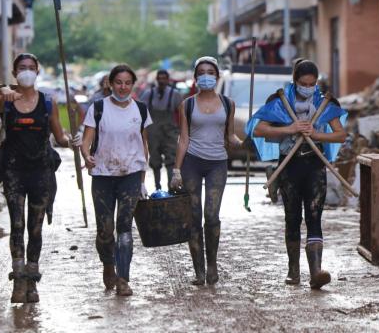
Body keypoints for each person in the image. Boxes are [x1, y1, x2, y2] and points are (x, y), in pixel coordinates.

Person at [0, 53, 79, 303]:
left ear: (38, 72)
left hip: (41, 173)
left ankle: (32, 281)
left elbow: (59, 138)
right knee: (16, 225)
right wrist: (3, 91)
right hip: (13, 172)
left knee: (35, 229)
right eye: (22, 68)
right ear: (15, 73)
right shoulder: (6, 100)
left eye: (31, 68)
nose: (27, 71)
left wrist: (73, 142)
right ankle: (18, 280)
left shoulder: (48, 102)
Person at [248, 58, 346, 289]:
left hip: (314, 164)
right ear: (295, 81)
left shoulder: (324, 103)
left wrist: (316, 134)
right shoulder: (280, 102)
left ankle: (316, 272)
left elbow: (341, 135)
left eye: (312, 84)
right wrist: (290, 129)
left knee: (314, 216)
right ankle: (294, 270)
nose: (308, 88)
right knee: (292, 218)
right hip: (289, 165)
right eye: (303, 83)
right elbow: (259, 129)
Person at [80, 64, 152, 296]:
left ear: (133, 85)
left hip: (130, 175)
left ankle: (123, 278)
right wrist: (86, 155)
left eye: (127, 83)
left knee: (124, 229)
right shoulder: (98, 108)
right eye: (118, 82)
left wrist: (142, 179)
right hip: (102, 176)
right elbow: (86, 140)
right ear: (110, 84)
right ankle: (108, 265)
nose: (123, 87)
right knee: (105, 229)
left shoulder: (140, 110)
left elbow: (144, 145)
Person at [170, 56, 242, 286]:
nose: (206, 76)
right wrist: (176, 170)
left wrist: (242, 143)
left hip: (217, 163)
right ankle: (199, 271)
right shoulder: (187, 104)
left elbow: (229, 135)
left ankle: (212, 264)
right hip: (192, 162)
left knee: (211, 216)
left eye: (210, 72)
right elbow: (183, 138)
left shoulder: (228, 103)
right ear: (195, 77)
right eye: (201, 72)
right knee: (193, 217)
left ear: (217, 76)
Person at [139, 69, 183, 190]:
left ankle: (171, 187)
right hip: (153, 132)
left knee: (171, 159)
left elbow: (182, 113)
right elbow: (141, 111)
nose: (162, 81)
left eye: (164, 78)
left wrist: (181, 129)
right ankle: (157, 187)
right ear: (157, 80)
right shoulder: (149, 94)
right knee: (155, 160)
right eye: (160, 78)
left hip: (170, 132)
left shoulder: (175, 94)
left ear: (168, 80)